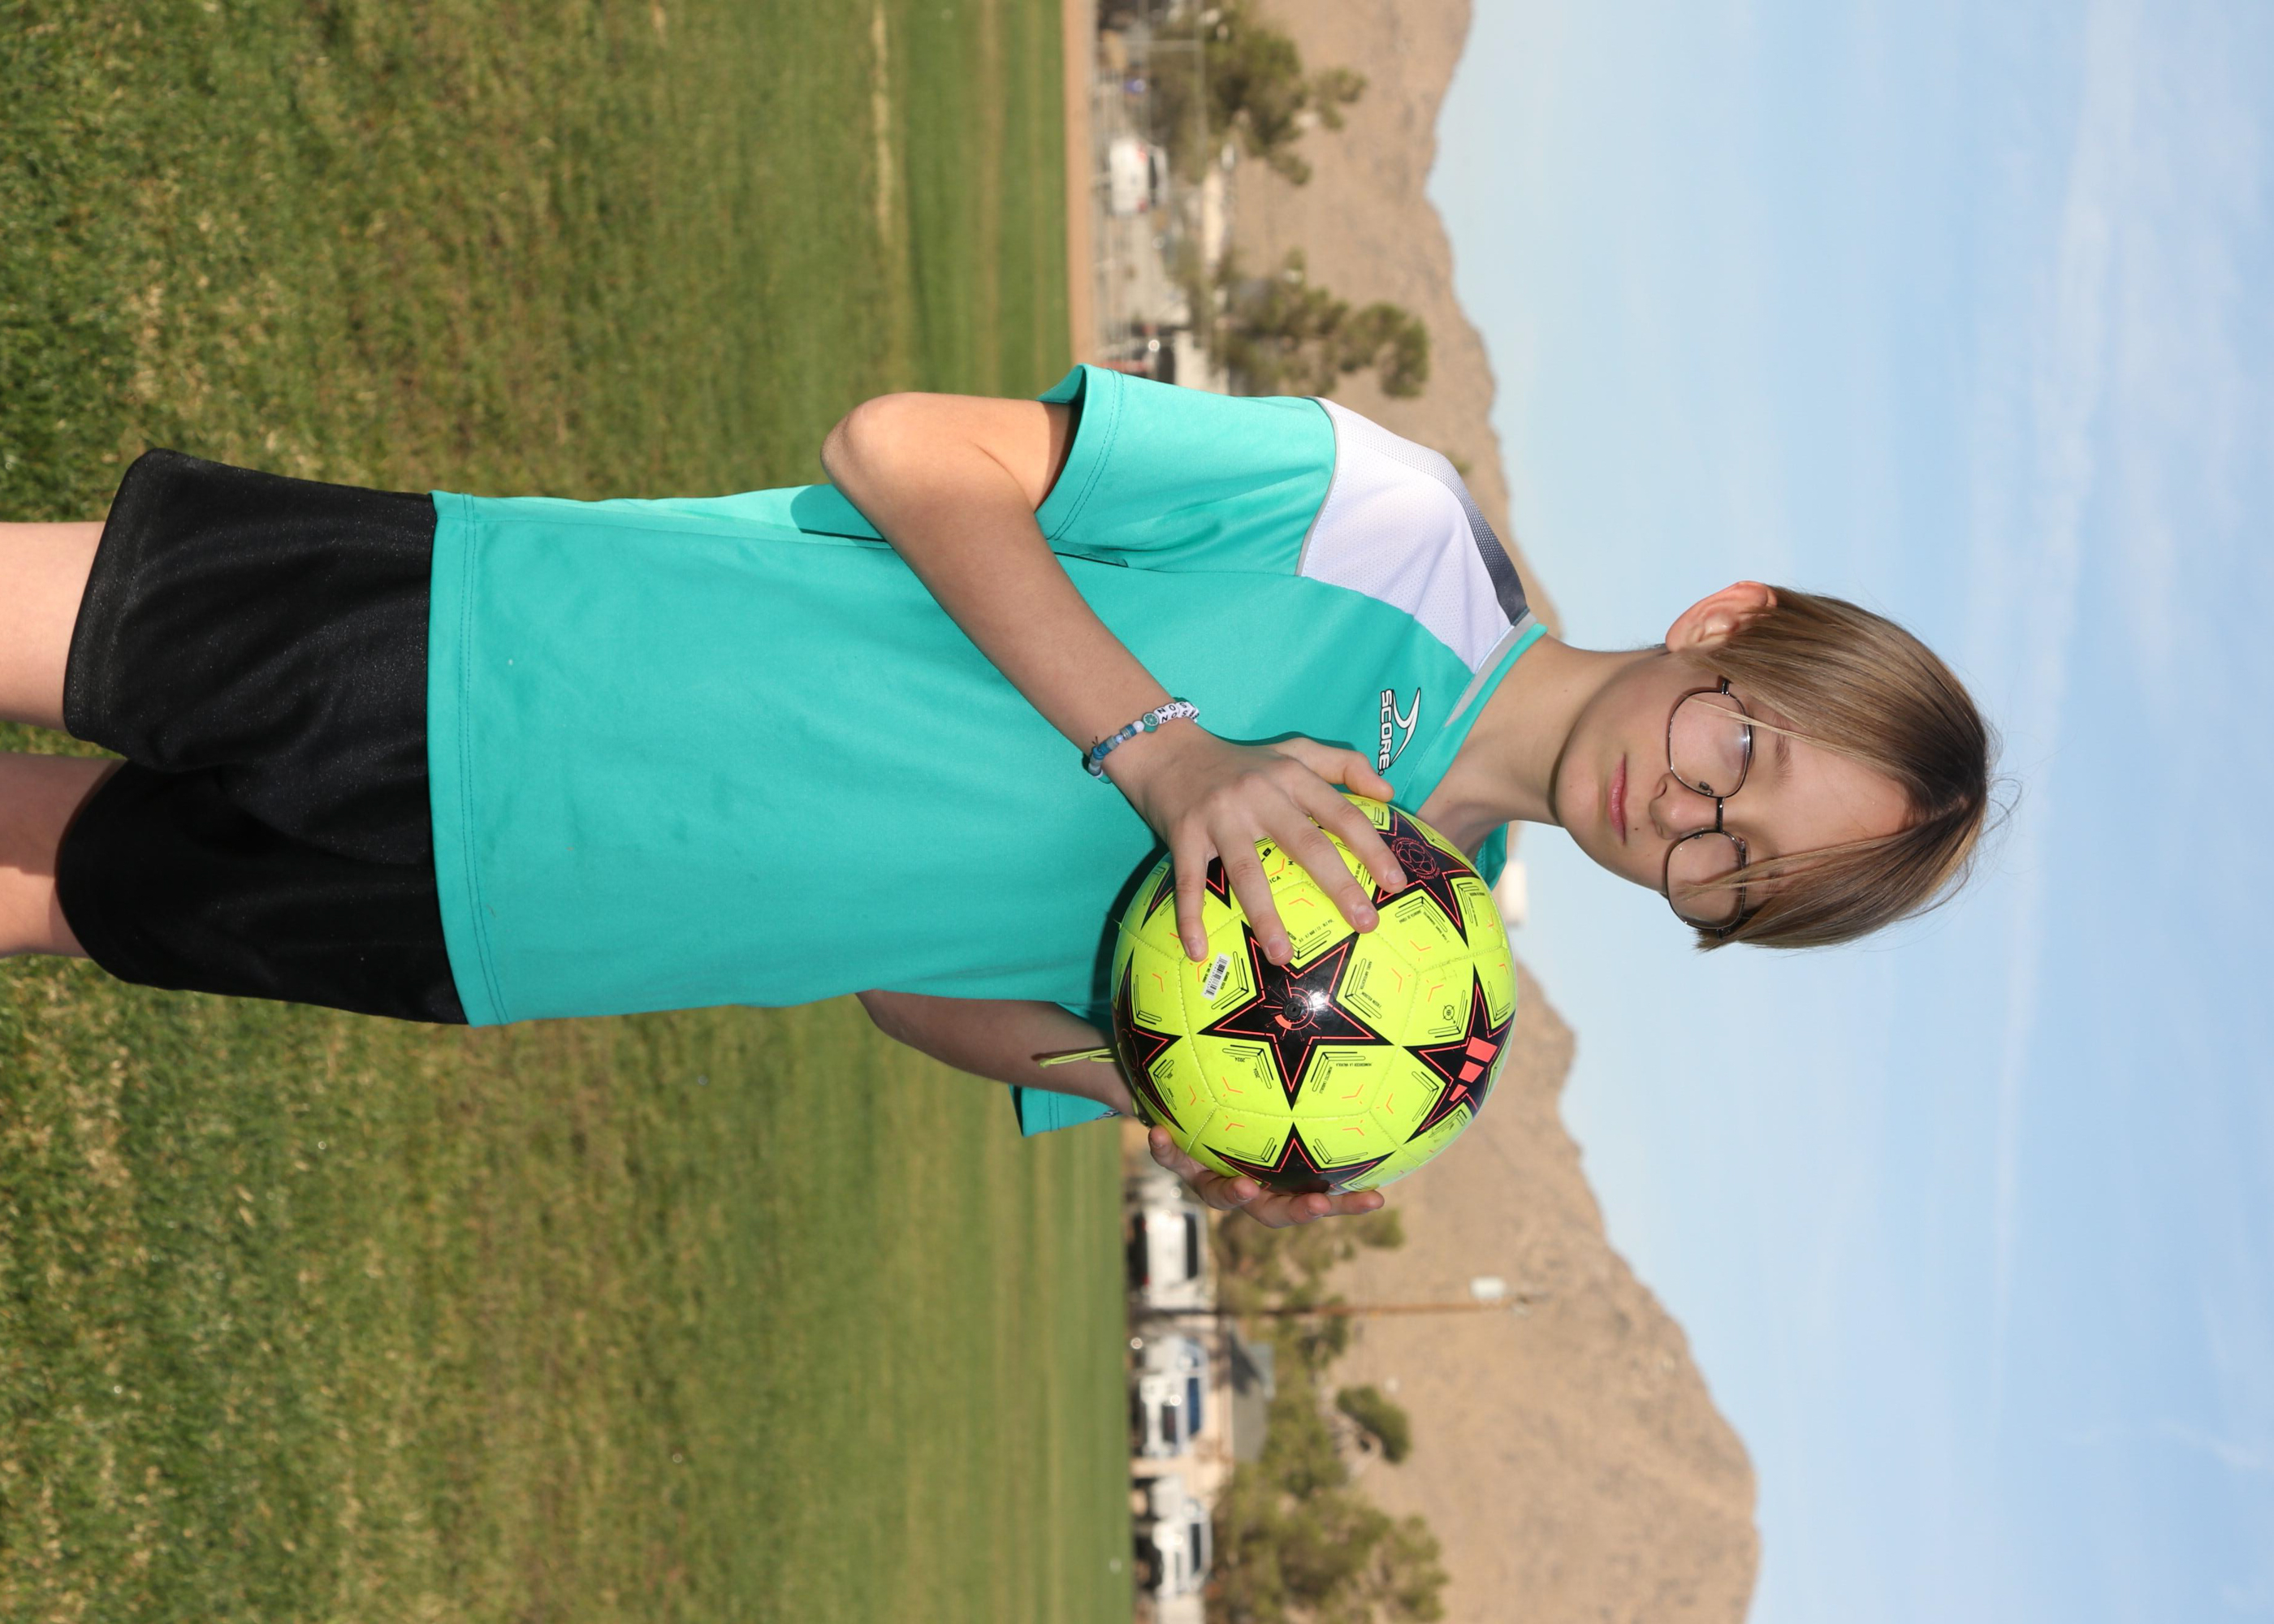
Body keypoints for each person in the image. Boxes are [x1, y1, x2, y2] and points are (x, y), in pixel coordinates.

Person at [0, 366, 1995, 1227]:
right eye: (1742, 748)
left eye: (1735, 872)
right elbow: (899, 447)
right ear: (1727, 624)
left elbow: (907, 992)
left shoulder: (1388, 990)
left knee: (60, 886)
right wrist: (1168, 752)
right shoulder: (1387, 522)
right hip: (520, 645)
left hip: (537, 928)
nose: (1688, 815)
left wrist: (1164, 1076)